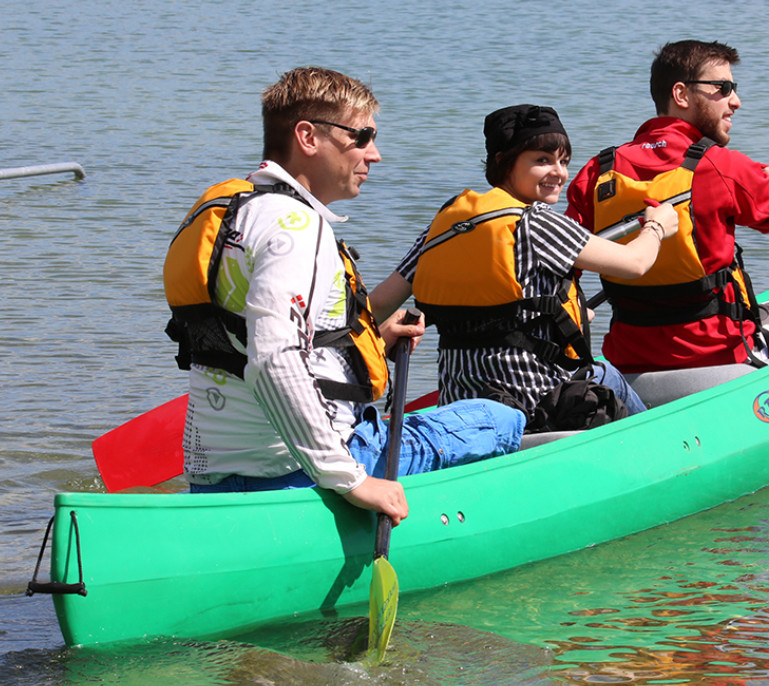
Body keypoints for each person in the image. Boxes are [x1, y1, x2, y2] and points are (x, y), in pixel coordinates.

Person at [167, 67, 524, 526]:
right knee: (496, 419)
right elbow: (275, 358)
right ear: (307, 137)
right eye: (361, 136)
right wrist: (351, 480)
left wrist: (371, 338)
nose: (374, 154)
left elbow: (257, 334)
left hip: (215, 474)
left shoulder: (236, 214)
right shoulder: (296, 229)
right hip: (299, 473)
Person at [370, 104, 679, 428]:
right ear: (503, 161)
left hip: (460, 402)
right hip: (538, 405)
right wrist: (656, 227)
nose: (558, 172)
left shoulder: (444, 224)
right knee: (605, 373)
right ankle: (670, 451)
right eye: (542, 160)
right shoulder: (535, 222)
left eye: (563, 161)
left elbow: (378, 303)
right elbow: (635, 262)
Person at [565, 40, 769, 373]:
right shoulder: (723, 166)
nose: (735, 101)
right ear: (681, 95)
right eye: (723, 88)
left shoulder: (597, 172)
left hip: (627, 357)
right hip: (720, 355)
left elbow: (564, 263)